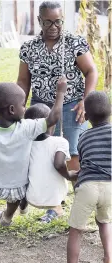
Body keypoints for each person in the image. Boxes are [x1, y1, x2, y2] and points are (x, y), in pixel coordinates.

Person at [17, 0, 98, 222]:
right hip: (40, 106)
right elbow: (23, 81)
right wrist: (19, 106)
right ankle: (54, 204)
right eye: (48, 22)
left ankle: (80, 202)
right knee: (43, 153)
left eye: (58, 21)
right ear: (39, 21)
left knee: (72, 154)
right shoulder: (29, 48)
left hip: (72, 104)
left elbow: (91, 71)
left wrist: (85, 100)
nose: (54, 26)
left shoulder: (74, 42)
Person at [0, 77, 67, 226]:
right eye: (23, 105)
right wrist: (60, 93)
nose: (25, 109)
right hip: (18, 189)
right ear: (12, 110)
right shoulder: (26, 128)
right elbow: (52, 118)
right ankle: (7, 217)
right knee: (15, 200)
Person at [58, 91, 112, 263]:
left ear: (86, 116)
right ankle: (108, 261)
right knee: (105, 222)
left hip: (88, 186)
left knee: (76, 231)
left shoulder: (84, 136)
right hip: (109, 187)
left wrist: (73, 175)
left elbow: (85, 164)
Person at [19, 104, 78, 217]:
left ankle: (22, 204)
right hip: (57, 198)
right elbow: (59, 164)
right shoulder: (60, 142)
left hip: (32, 198)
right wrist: (68, 175)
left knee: (23, 171)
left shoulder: (24, 145)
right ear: (52, 124)